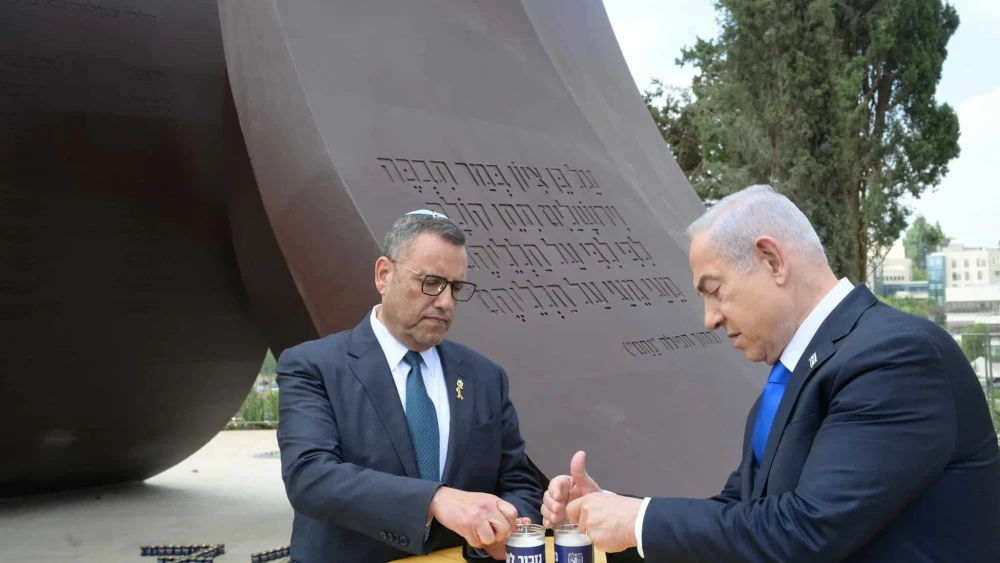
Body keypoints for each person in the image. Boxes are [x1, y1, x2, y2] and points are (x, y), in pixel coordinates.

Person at [541, 185, 1000, 562]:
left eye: (714, 291)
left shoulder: (894, 357)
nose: (710, 318)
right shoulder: (793, 378)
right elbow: (740, 512)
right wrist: (615, 515)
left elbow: (805, 531)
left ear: (773, 260)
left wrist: (638, 520)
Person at [276, 210, 543, 562]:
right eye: (431, 282)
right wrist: (435, 500)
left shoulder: (485, 377)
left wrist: (505, 529)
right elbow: (310, 477)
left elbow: (519, 482)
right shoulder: (313, 366)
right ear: (384, 275)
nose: (446, 301)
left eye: (456, 287)